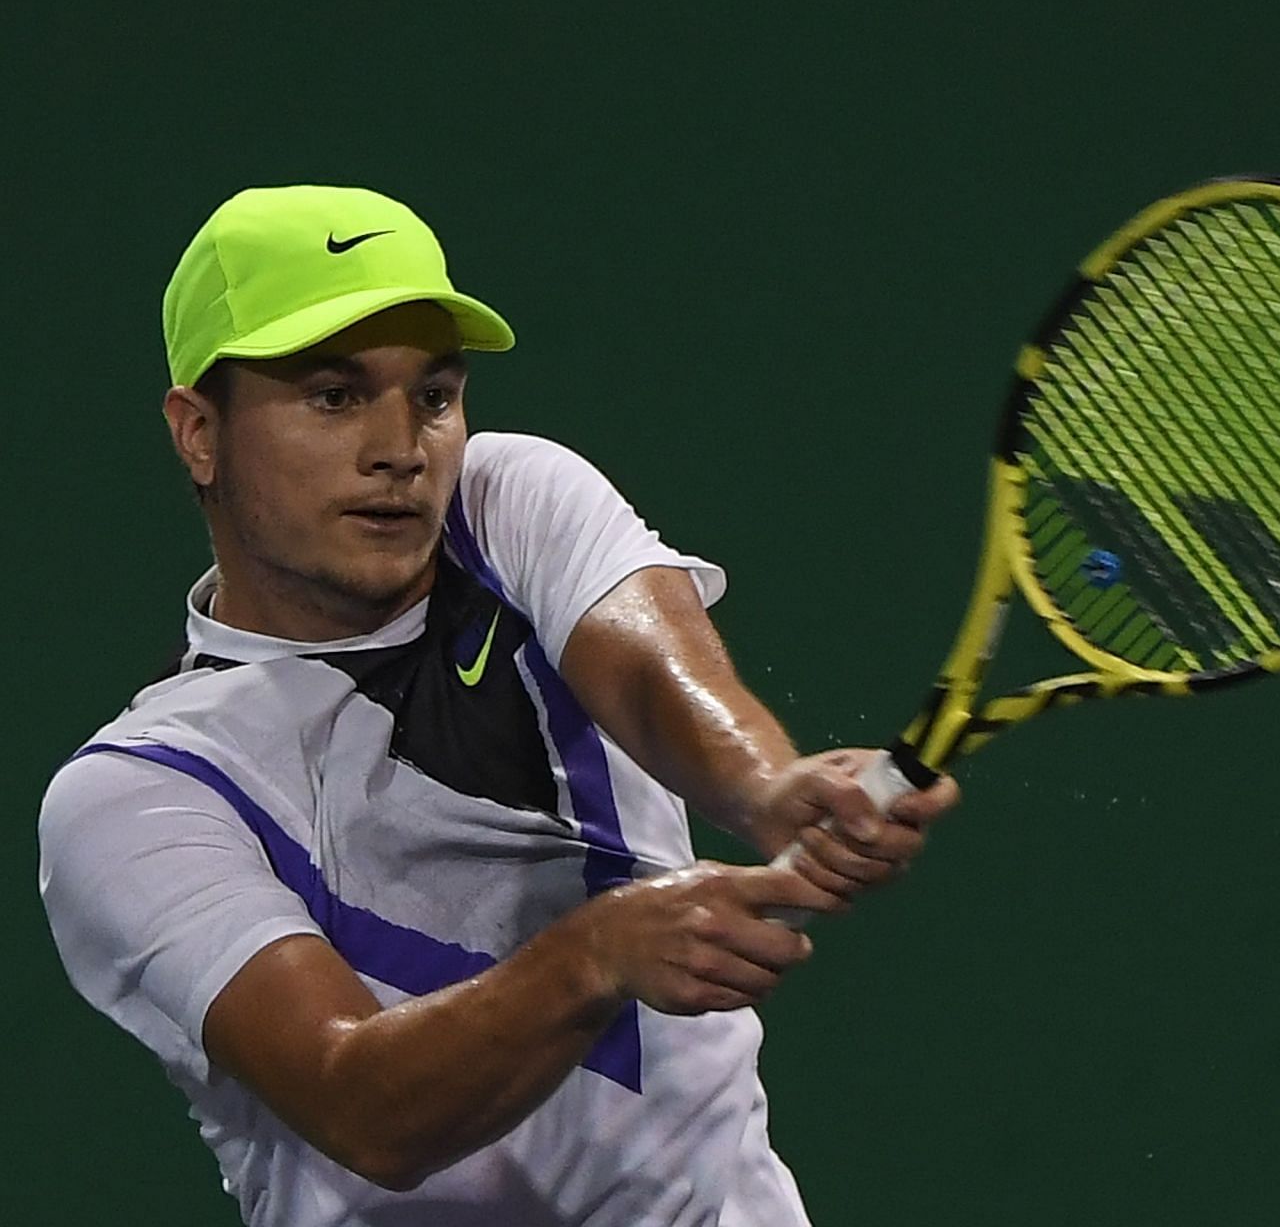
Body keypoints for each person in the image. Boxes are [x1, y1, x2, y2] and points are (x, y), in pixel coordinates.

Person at [37, 184, 958, 1226]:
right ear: (199, 433)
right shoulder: (138, 795)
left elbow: (654, 676)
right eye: (335, 395)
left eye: (433, 394)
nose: (402, 446)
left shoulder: (507, 503)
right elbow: (366, 1106)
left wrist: (770, 784)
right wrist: (598, 950)